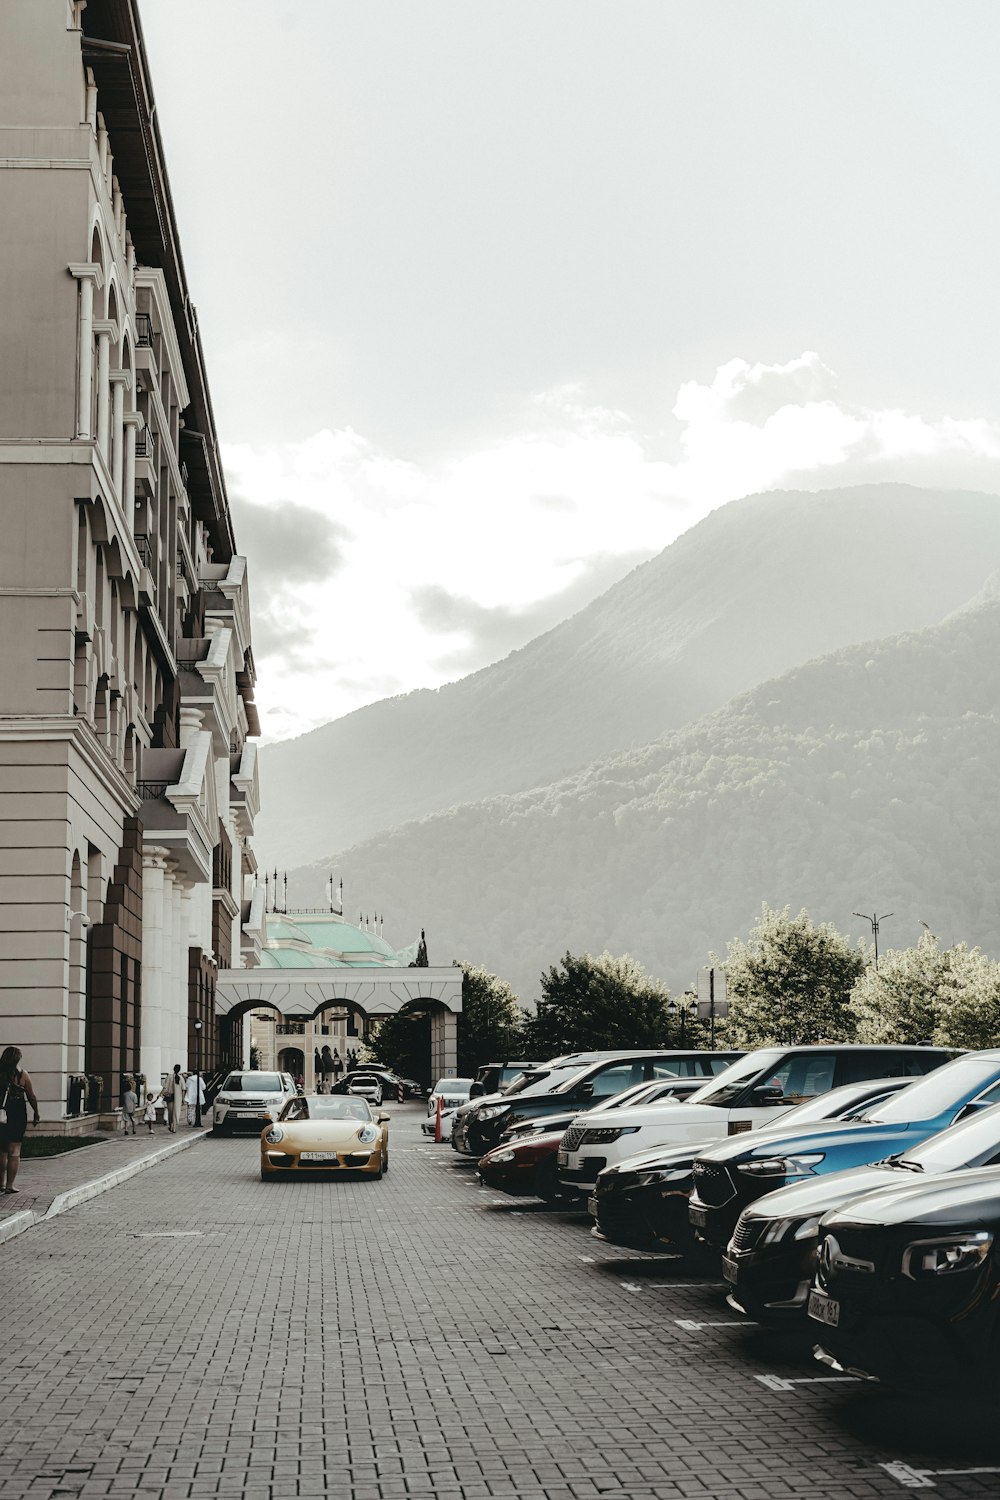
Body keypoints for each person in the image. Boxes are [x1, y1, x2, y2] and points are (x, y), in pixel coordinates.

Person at [0, 1046, 40, 1193]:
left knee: (2, 1150)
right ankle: (10, 1185)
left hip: (1, 1114)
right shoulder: (23, 1075)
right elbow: (31, 1096)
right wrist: (36, 1112)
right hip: (17, 1113)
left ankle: (1, 1184)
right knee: (14, 1150)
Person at [162, 1064, 184, 1133]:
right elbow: (183, 1089)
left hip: (172, 1097)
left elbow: (165, 1087)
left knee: (171, 1112)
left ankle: (172, 1126)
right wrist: (182, 1099)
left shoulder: (175, 1077)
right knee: (174, 1112)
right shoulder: (179, 1077)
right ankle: (173, 1126)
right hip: (175, 1097)